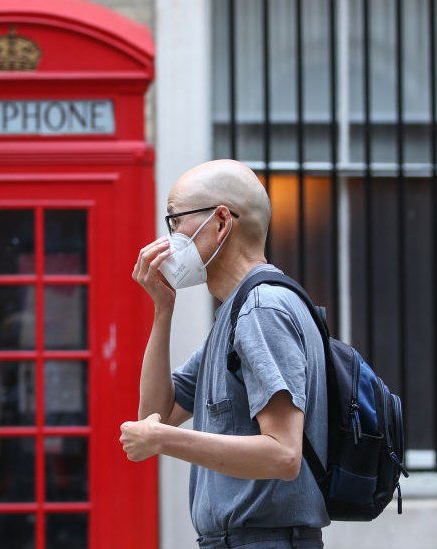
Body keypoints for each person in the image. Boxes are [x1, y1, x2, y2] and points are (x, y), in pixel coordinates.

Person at [119, 159, 329, 548]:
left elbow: (283, 453)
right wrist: (163, 310)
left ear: (220, 223)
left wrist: (164, 440)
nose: (168, 239)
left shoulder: (262, 310)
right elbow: (155, 415)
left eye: (175, 220)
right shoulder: (235, 314)